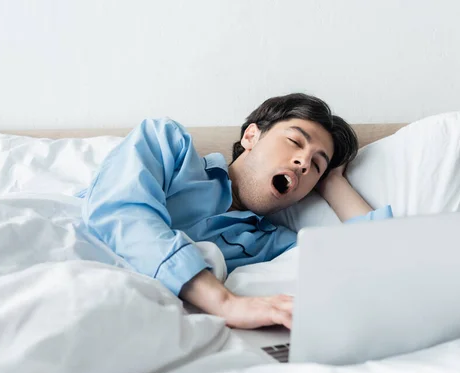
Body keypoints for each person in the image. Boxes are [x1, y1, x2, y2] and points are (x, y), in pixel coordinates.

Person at [78, 93, 393, 330]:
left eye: (316, 164)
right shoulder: (166, 144)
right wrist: (225, 303)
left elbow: (382, 258)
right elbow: (121, 211)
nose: (304, 162)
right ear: (251, 136)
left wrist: (332, 182)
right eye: (295, 142)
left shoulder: (272, 245)